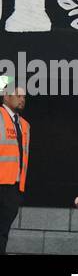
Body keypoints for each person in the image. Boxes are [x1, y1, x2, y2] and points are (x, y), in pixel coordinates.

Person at [0, 85, 29, 255]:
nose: (22, 99)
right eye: (18, 95)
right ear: (5, 97)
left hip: (14, 185)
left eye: (24, 97)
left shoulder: (25, 125)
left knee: (3, 230)